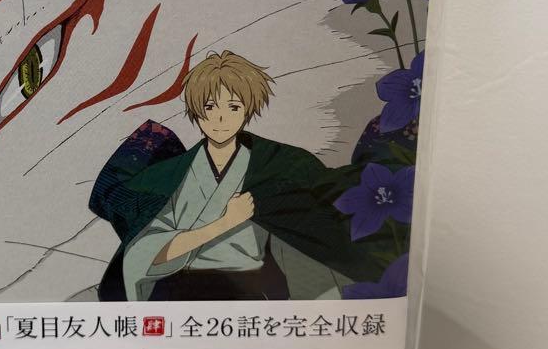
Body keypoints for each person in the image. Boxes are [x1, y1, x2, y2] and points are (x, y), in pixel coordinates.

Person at [93, 51, 376, 301]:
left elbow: (299, 235)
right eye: (210, 107)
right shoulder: (175, 175)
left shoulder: (274, 166)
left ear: (248, 110)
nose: (220, 118)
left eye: (233, 107)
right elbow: (147, 252)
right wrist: (224, 224)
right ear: (196, 110)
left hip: (252, 290)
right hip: (180, 291)